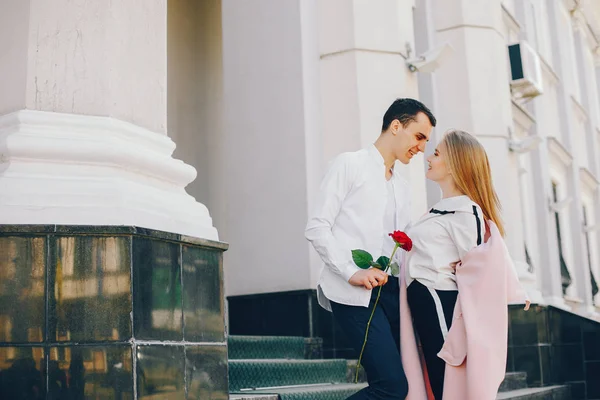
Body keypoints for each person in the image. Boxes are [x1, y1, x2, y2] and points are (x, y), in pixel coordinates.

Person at [305, 98, 436, 400]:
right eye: (419, 136)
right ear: (395, 126)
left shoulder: (402, 186)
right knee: (392, 387)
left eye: (426, 141)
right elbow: (317, 227)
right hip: (352, 294)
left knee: (411, 386)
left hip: (392, 295)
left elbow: (403, 246)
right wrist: (352, 272)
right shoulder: (349, 164)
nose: (421, 148)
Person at [404, 129, 528, 400]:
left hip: (439, 300)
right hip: (425, 299)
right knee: (435, 383)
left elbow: (478, 269)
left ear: (455, 164)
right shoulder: (443, 209)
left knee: (445, 383)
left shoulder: (466, 212)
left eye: (436, 153)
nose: (429, 157)